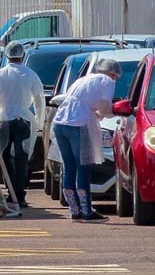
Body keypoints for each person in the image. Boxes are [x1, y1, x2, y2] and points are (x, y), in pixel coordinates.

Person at [51, 58, 121, 221]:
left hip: (60, 122)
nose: (116, 80)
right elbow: (104, 107)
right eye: (116, 77)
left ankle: (74, 210)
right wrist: (113, 111)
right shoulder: (107, 81)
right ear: (112, 73)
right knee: (83, 165)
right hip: (78, 124)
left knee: (69, 166)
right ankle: (87, 210)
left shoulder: (83, 79)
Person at [0, 41, 45, 208]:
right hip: (24, 119)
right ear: (23, 55)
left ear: (6, 55)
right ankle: (20, 194)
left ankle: (10, 191)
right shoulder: (30, 74)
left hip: (3, 119)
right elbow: (39, 100)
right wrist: (39, 122)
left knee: (4, 157)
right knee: (21, 158)